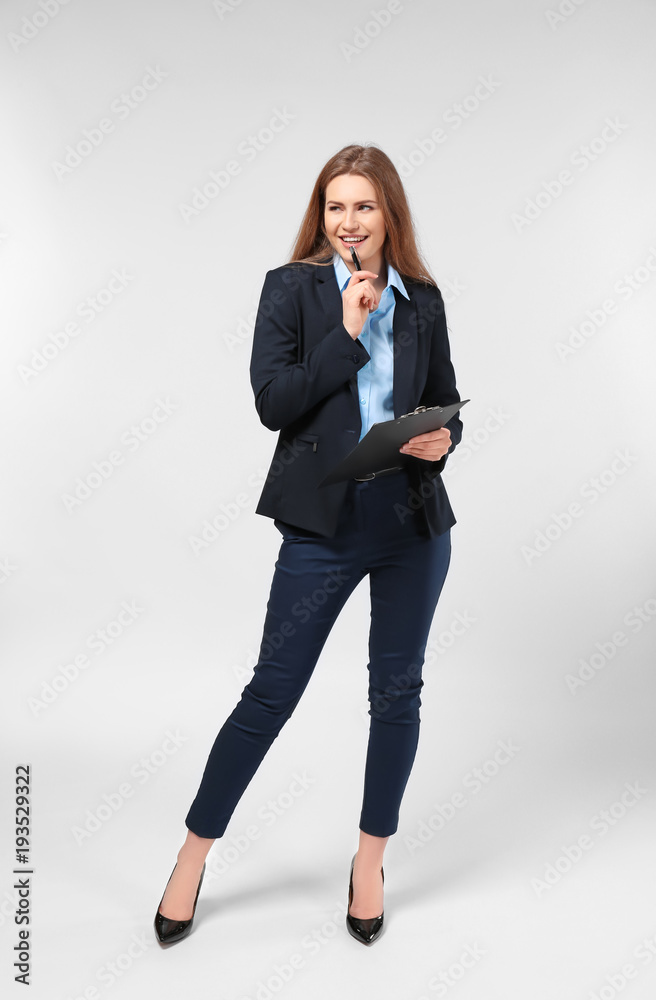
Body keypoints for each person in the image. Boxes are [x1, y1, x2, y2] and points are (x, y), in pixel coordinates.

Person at [154, 143, 464, 947]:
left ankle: (369, 863)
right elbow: (274, 401)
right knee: (270, 695)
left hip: (411, 525)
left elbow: (441, 403)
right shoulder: (290, 291)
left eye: (363, 206)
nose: (348, 221)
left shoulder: (422, 298)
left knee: (396, 697)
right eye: (335, 206)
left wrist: (443, 439)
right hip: (321, 528)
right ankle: (193, 856)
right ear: (319, 216)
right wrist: (349, 330)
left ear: (388, 214)